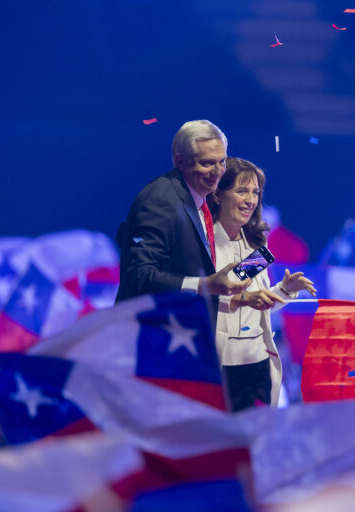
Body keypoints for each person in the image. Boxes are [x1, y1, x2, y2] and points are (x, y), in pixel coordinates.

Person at [115, 120, 250, 325]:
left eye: (222, 161)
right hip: (153, 333)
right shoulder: (161, 200)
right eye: (207, 163)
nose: (218, 171)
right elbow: (140, 275)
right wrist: (204, 285)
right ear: (180, 161)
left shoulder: (197, 198)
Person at [209, 157, 316, 410]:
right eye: (242, 191)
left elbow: (255, 305)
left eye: (255, 192)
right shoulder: (203, 239)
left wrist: (285, 291)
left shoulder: (257, 252)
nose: (250, 199)